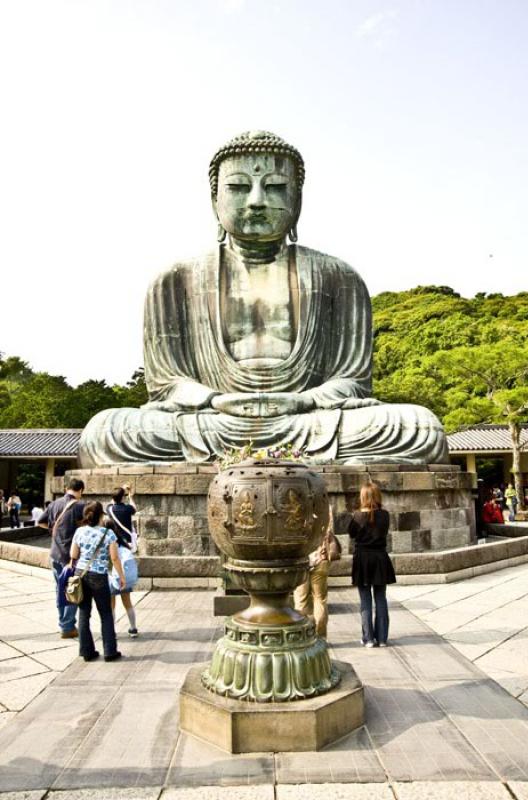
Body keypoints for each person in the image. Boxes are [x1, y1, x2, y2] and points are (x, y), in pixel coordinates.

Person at [79, 130, 448, 468]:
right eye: (239, 188)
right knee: (107, 431)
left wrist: (303, 401)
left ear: (297, 199)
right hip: (212, 421)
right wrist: (213, 400)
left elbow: (351, 380)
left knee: (418, 428)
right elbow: (167, 384)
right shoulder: (174, 282)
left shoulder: (339, 277)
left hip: (307, 419)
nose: (256, 201)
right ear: (214, 199)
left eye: (274, 187)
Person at [70, 501, 125, 662]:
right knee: (106, 613)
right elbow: (114, 558)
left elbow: (74, 554)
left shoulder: (79, 531)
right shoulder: (108, 534)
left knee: (84, 613)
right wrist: (121, 576)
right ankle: (109, 651)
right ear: (101, 515)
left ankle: (86, 651)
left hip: (81, 573)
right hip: (99, 576)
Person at [349, 482, 396, 648]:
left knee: (365, 599)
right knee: (380, 597)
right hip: (380, 558)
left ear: (363, 497)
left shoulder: (357, 516)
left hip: (362, 559)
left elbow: (351, 533)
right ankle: (382, 638)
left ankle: (368, 638)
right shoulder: (385, 515)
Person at [38, 478, 86, 638]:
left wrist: (54, 528)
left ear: (66, 488)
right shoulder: (80, 506)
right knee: (73, 588)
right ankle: (67, 627)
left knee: (60, 589)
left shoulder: (53, 504)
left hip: (55, 553)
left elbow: (40, 522)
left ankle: (63, 623)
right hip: (72, 556)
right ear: (81, 490)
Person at [293, 510, 335, 638]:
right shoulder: (324, 504)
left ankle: (303, 637)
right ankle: (320, 636)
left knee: (301, 600)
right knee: (320, 599)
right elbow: (330, 532)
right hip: (321, 557)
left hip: (301, 559)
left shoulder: (297, 504)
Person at [106, 485, 139, 638]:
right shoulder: (127, 509)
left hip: (112, 550)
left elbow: (110, 504)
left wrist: (120, 493)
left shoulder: (109, 509)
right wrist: (130, 494)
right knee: (127, 600)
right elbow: (134, 508)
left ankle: (112, 631)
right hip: (124, 550)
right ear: (123, 497)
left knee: (111, 601)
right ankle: (133, 628)